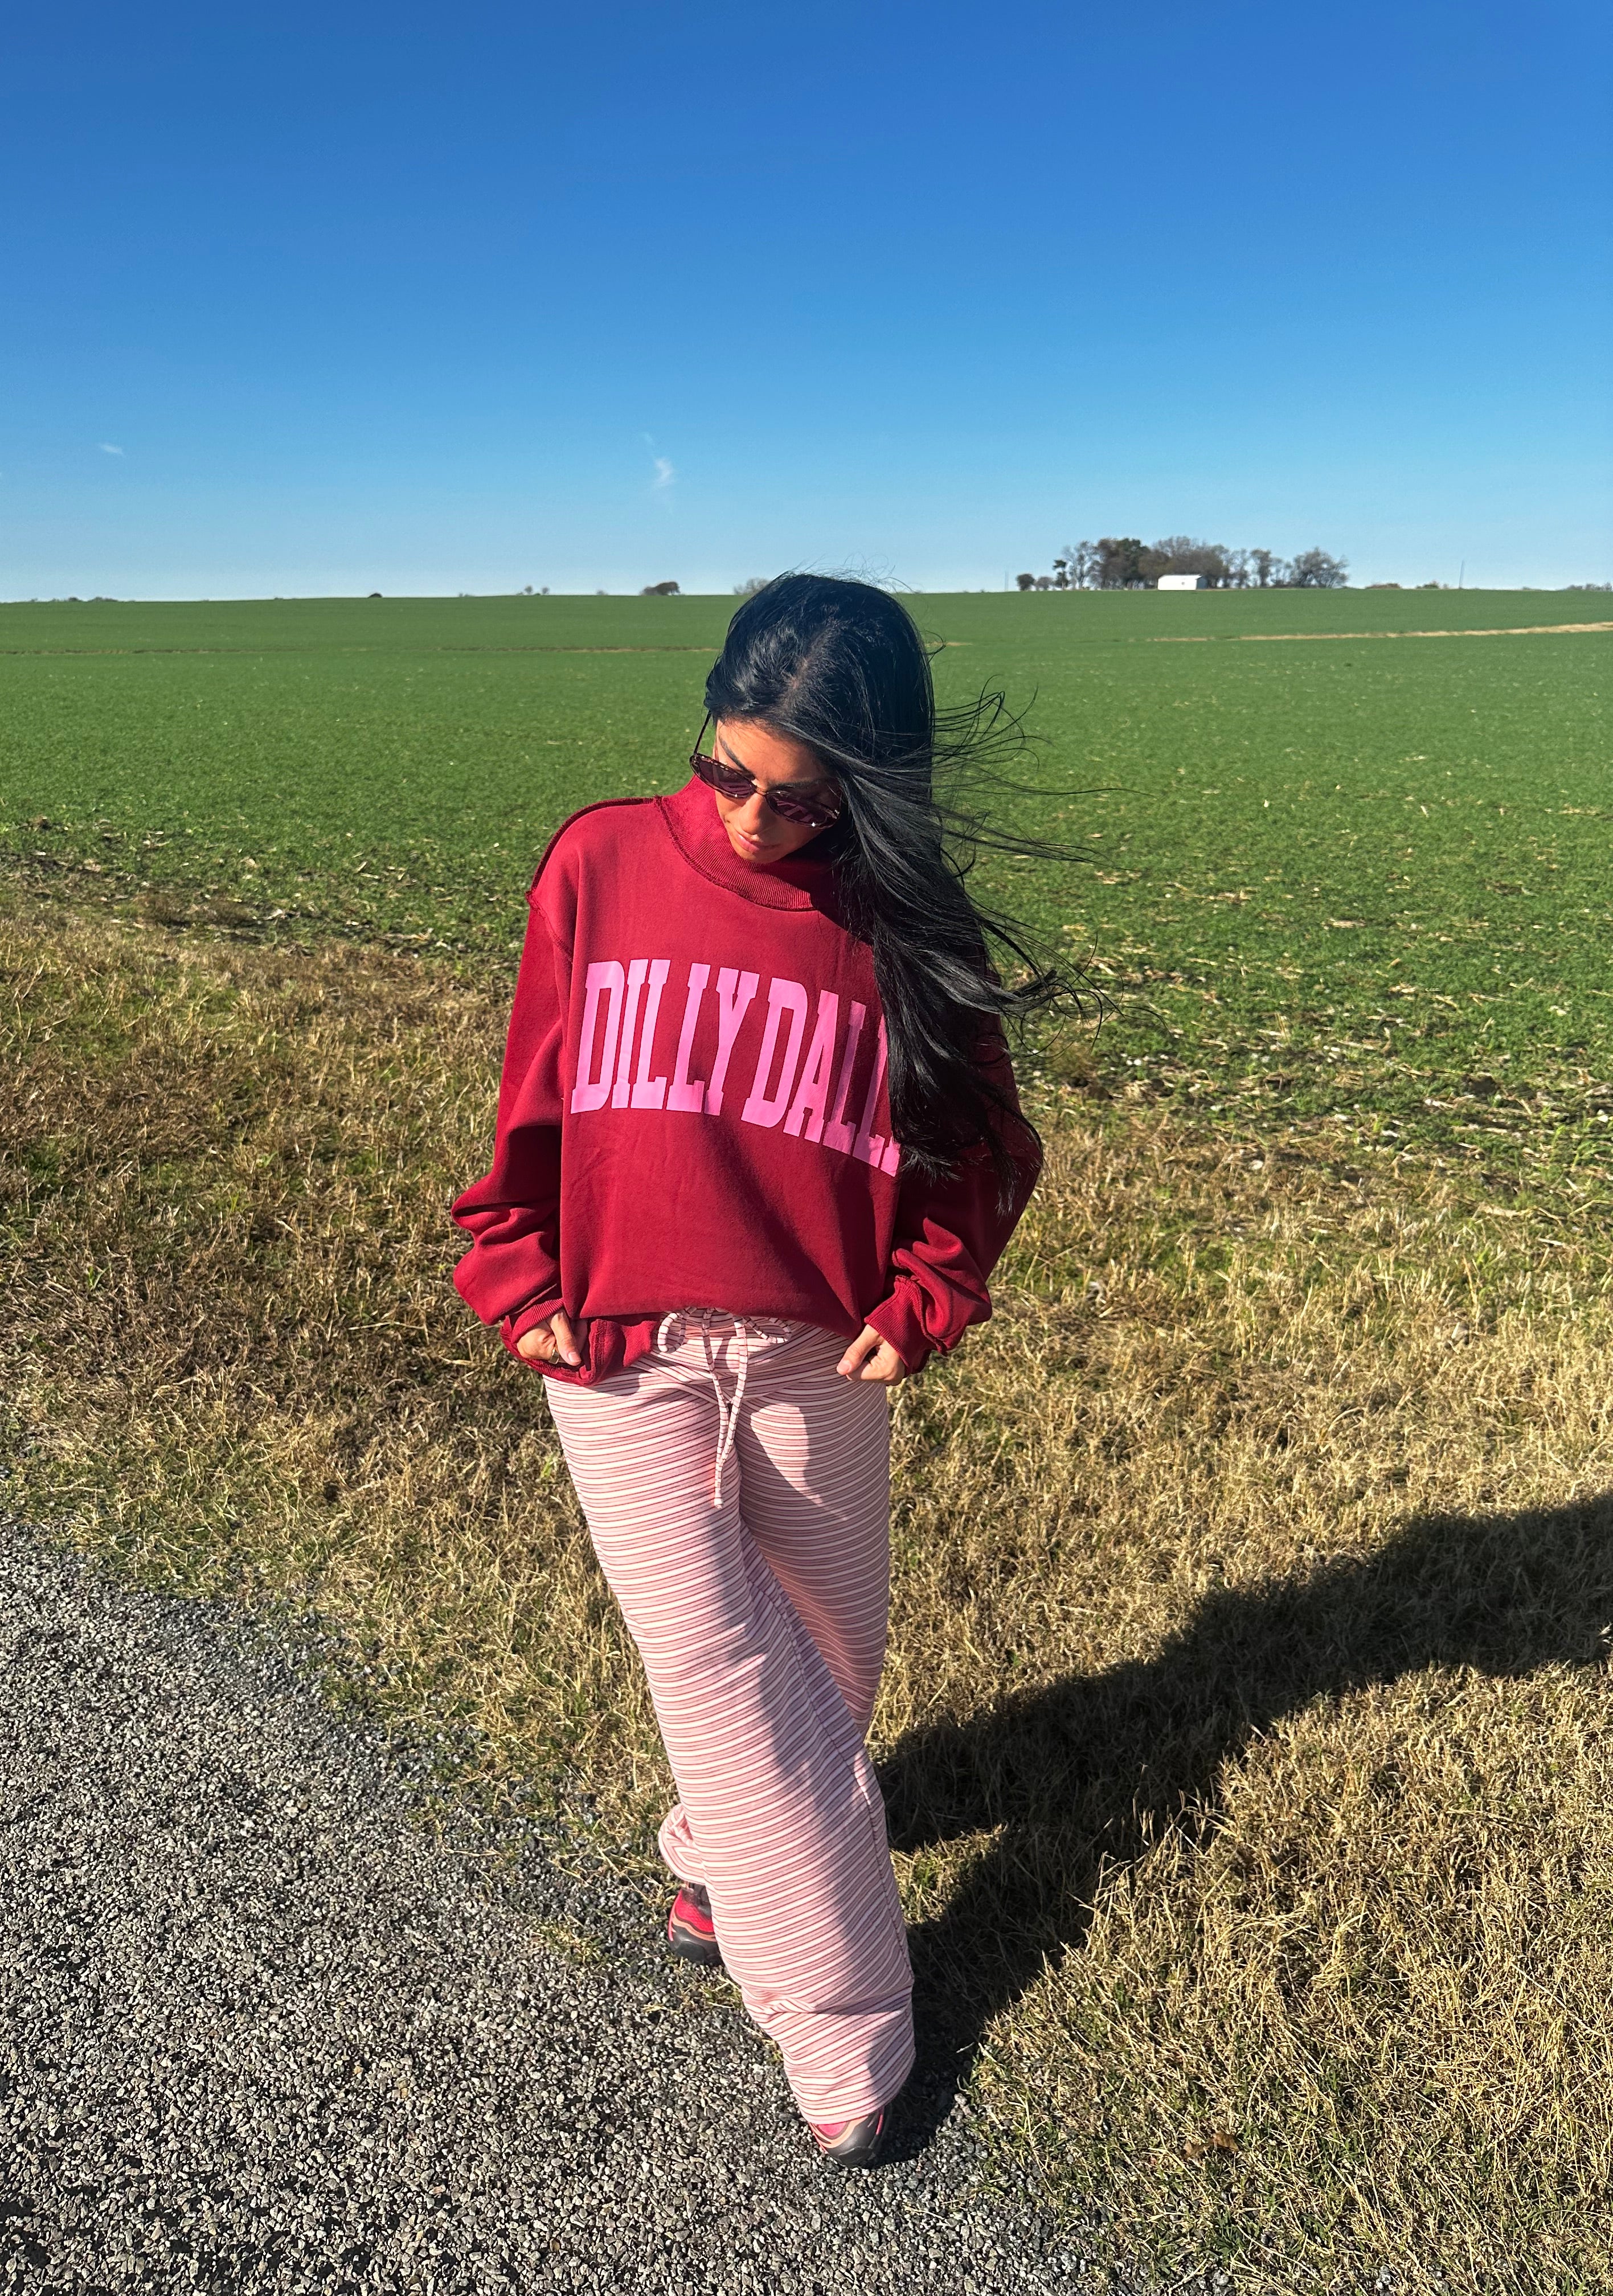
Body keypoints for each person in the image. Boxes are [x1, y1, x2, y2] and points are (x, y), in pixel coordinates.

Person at [451, 573, 1058, 2167]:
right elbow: (532, 1103)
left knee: (830, 1663)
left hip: (811, 1350)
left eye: (803, 799)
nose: (751, 824)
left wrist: (930, 1285)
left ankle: (715, 1860)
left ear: (872, 787)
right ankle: (849, 2029)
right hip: (619, 1351)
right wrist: (517, 1271)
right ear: (706, 728)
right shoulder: (598, 862)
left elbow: (990, 1145)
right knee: (727, 1680)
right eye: (730, 774)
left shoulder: (898, 928)